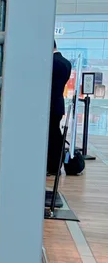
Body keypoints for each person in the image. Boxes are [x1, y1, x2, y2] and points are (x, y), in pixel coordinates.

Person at [47, 40, 72, 175]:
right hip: (58, 104)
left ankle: (53, 166)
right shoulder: (66, 63)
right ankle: (55, 165)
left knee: (52, 136)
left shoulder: (51, 62)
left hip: (49, 105)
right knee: (55, 134)